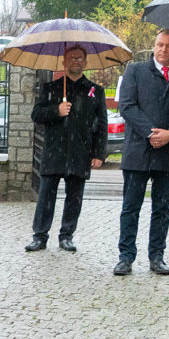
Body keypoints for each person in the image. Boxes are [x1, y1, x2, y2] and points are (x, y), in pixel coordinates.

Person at [113, 29, 169, 276]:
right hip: (138, 151)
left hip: (168, 154)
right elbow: (126, 105)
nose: (163, 50)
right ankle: (125, 257)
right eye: (159, 44)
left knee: (162, 208)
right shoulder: (135, 71)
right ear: (153, 45)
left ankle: (157, 256)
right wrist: (151, 132)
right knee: (130, 207)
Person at [25, 45, 108, 252]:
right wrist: (56, 110)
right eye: (72, 58)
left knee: (74, 197)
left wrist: (99, 153)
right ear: (64, 62)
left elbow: (102, 124)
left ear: (85, 63)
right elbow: (36, 115)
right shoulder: (51, 88)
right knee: (46, 196)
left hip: (81, 152)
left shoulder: (94, 91)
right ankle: (40, 236)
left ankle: (67, 235)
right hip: (54, 152)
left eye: (80, 59)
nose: (76, 62)